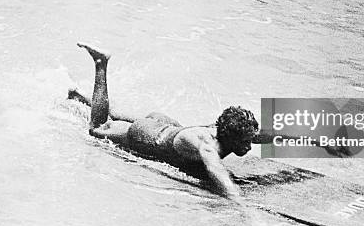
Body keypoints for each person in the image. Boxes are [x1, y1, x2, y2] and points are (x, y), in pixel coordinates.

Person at [68, 42, 259, 202]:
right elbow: (220, 175)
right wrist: (246, 210)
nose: (249, 146)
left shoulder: (225, 128)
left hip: (166, 126)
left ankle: (79, 96)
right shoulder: (208, 146)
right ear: (231, 139)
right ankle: (101, 62)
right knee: (99, 129)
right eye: (246, 142)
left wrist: (286, 138)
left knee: (115, 113)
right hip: (150, 135)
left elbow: (264, 135)